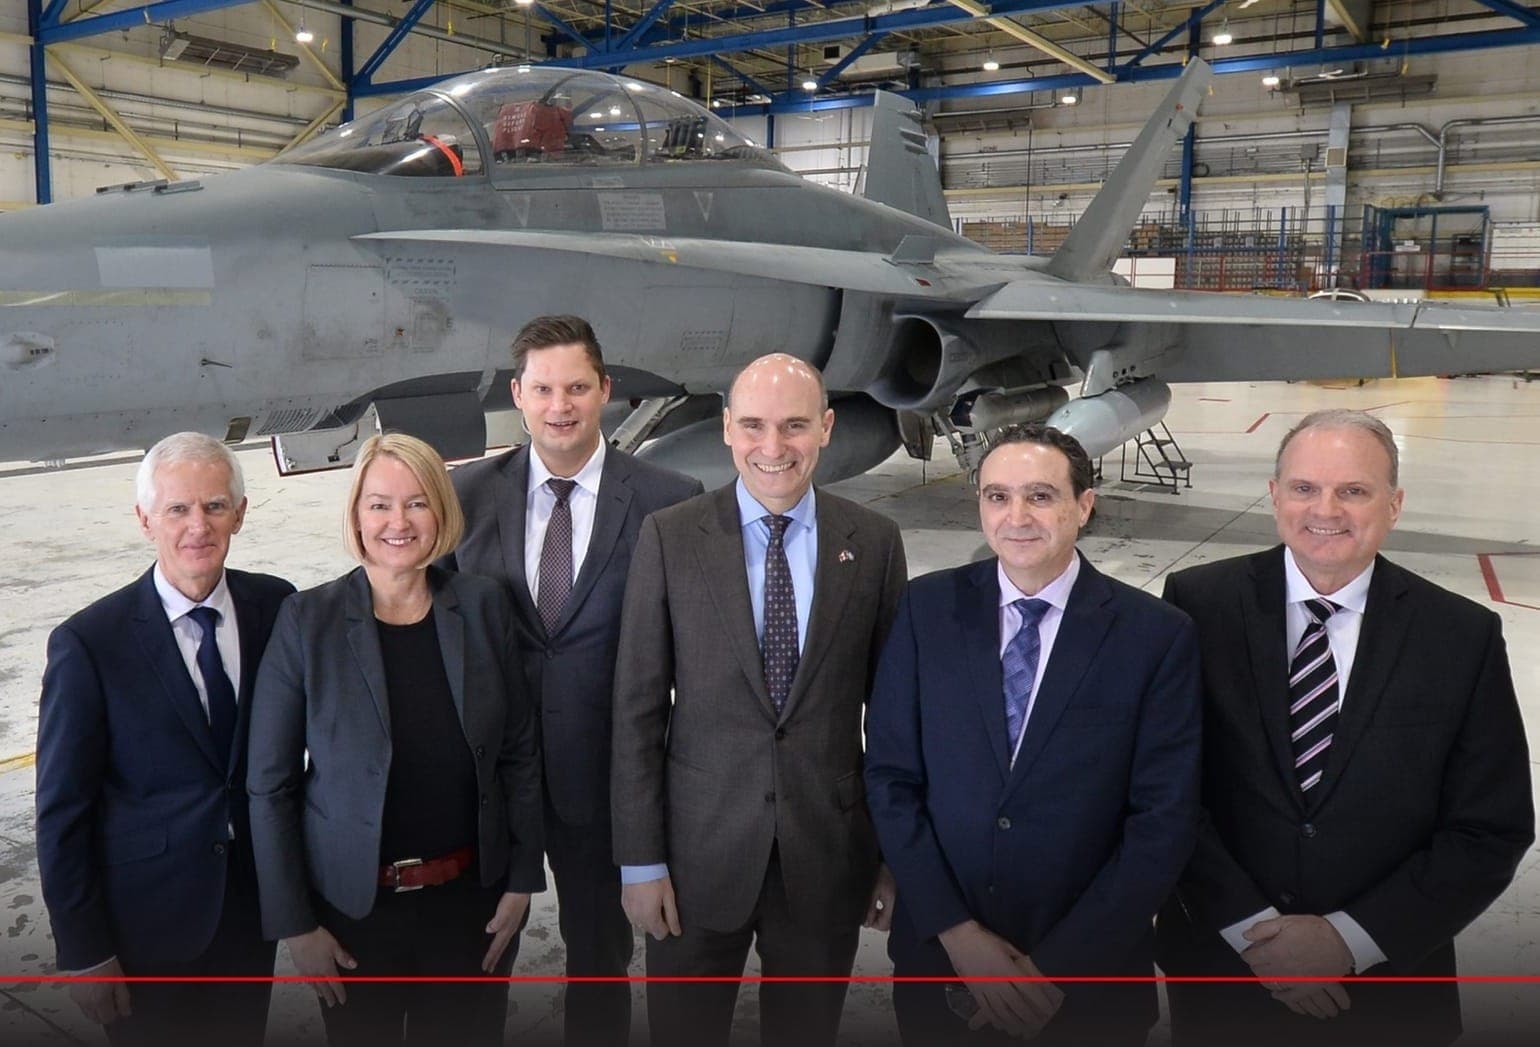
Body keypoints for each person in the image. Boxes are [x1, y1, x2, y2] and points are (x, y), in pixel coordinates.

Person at [1157, 409, 1534, 1047]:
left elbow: (1491, 827)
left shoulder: (1460, 635)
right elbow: (1167, 794)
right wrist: (1253, 932)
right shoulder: (1198, 604)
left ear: (1394, 505)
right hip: (1225, 972)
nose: (1325, 509)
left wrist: (1348, 939)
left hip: (1388, 986)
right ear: (1274, 495)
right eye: (1304, 488)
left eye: (1353, 490)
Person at [864, 424, 1202, 1046]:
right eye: (997, 496)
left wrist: (1055, 970)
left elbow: (1163, 819)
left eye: (1040, 496)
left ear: (1084, 505)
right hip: (944, 965)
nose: (1016, 517)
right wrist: (958, 935)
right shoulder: (925, 609)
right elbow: (891, 779)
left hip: (1087, 981)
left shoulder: (1154, 635)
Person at [611, 353, 907, 1047]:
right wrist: (641, 862)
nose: (773, 446)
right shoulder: (671, 536)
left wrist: (892, 858)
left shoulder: (874, 543)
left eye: (794, 425)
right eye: (753, 425)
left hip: (826, 855)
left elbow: (896, 721)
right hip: (695, 857)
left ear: (826, 427)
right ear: (726, 428)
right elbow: (636, 711)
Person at [440, 315, 702, 1046]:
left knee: (599, 961)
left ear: (605, 390)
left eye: (577, 388)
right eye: (544, 389)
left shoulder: (668, 497)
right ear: (518, 394)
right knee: (481, 958)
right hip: (494, 783)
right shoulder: (465, 493)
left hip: (606, 781)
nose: (561, 406)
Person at [247, 432, 544, 1046]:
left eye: (417, 503)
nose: (398, 522)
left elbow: (518, 754)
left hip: (470, 905)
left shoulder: (483, 606)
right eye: (379, 504)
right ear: (357, 515)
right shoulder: (307, 621)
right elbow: (270, 787)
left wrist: (522, 881)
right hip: (354, 916)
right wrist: (296, 925)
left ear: (442, 511)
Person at [36, 432, 294, 1047]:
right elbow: (62, 812)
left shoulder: (276, 606)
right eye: (177, 508)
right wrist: (86, 951)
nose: (197, 526)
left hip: (248, 916)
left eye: (214, 506)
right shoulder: (89, 643)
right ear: (145, 519)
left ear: (240, 513)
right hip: (144, 930)